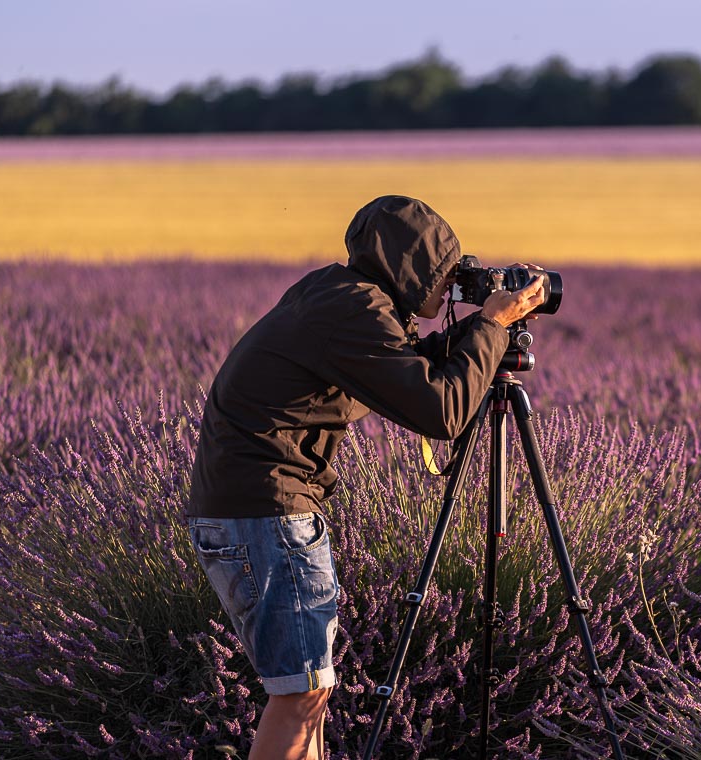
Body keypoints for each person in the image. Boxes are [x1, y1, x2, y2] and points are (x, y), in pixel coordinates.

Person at [185, 195, 546, 760]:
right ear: (413, 268)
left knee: (310, 691)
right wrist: (492, 326)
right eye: (444, 274)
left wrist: (476, 332)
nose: (450, 288)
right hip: (267, 514)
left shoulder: (336, 294)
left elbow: (400, 370)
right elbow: (440, 411)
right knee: (302, 695)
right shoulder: (355, 312)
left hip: (245, 510)